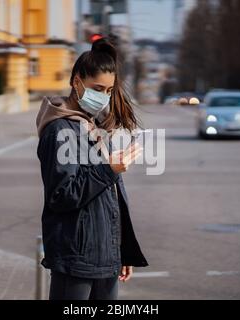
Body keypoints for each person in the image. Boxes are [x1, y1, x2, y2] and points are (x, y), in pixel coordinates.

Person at [36, 37, 148, 300]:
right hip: (76, 259)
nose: (104, 97)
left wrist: (119, 250)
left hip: (104, 258)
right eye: (98, 88)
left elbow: (109, 200)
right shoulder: (59, 130)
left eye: (109, 91)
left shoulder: (93, 126)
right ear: (77, 81)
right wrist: (109, 169)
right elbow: (62, 196)